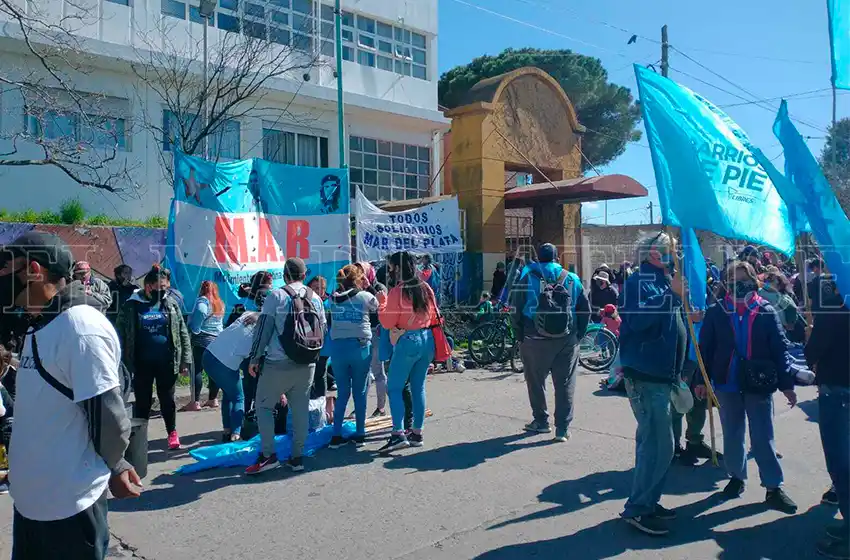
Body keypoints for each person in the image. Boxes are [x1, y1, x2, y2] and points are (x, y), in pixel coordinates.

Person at [1, 232, 140, 559]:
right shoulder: (41, 325)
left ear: (34, 269)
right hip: (32, 506)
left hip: (69, 511)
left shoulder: (80, 325)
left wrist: (117, 464)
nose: (2, 277)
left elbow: (107, 414)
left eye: (7, 268)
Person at [696, 260, 798, 514]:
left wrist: (787, 384)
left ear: (753, 282)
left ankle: (773, 487)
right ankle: (736, 476)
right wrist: (700, 379)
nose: (738, 286)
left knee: (763, 435)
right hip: (726, 383)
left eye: (743, 281)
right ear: (726, 284)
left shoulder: (765, 310)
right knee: (732, 433)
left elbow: (779, 349)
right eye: (733, 281)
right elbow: (705, 348)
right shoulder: (717, 311)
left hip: (758, 382)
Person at [617, 231, 689, 536]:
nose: (674, 254)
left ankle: (649, 500)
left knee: (659, 445)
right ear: (653, 253)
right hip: (647, 378)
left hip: (663, 375)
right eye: (669, 249)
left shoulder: (663, 280)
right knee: (658, 446)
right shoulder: (638, 282)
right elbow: (637, 319)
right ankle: (639, 508)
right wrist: (670, 295)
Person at [246, 257, 326, 475]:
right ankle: (297, 457)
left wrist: (254, 358)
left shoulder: (277, 296)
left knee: (263, 406)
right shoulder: (316, 297)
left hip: (278, 363)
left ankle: (268, 455)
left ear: (285, 274)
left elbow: (263, 330)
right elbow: (323, 330)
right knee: (299, 408)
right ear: (303, 275)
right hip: (307, 362)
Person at [511, 243, 590, 442]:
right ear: (556, 258)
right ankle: (562, 429)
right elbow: (584, 309)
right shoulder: (572, 278)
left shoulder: (527, 277)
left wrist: (519, 334)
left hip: (534, 338)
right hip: (567, 339)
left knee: (536, 382)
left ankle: (541, 421)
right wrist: (578, 334)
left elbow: (515, 308)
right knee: (565, 384)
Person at [117, 265, 192, 451]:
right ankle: (141, 438)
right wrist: (120, 360)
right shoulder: (131, 305)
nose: (164, 291)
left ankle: (172, 433)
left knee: (167, 399)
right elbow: (119, 333)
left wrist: (185, 360)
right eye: (160, 287)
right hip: (141, 362)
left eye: (166, 287)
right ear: (149, 286)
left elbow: (182, 332)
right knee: (143, 401)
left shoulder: (171, 303)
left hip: (166, 361)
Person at [804, 278, 850, 559]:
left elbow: (814, 350)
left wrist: (810, 341)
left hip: (839, 390)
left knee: (842, 463)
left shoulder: (837, 304)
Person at [378, 251, 439, 452]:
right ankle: (417, 433)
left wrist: (382, 303)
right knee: (418, 387)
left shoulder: (398, 291)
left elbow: (387, 322)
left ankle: (398, 434)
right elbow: (433, 315)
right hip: (427, 339)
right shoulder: (425, 288)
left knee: (394, 388)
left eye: (390, 267)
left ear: (396, 268)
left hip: (408, 341)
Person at [204, 288, 267, 443]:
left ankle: (227, 430)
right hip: (224, 363)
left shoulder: (247, 315)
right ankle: (236, 435)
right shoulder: (264, 330)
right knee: (239, 397)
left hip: (209, 355)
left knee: (228, 393)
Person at [328, 265, 380, 449]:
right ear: (359, 279)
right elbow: (379, 305)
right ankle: (360, 433)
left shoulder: (333, 298)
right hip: (360, 348)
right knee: (360, 392)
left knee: (342, 392)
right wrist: (369, 287)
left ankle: (336, 435)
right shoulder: (365, 296)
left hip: (338, 349)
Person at [183, 281, 225, 411]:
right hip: (217, 339)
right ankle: (213, 399)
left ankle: (195, 402)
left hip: (202, 339)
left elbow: (200, 312)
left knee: (197, 370)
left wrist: (195, 327)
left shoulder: (203, 301)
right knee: (214, 370)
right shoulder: (219, 302)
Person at [308, 275, 335, 423]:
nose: (319, 291)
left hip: (323, 347)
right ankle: (310, 408)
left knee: (320, 376)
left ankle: (320, 407)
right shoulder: (305, 301)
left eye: (321, 289)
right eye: (315, 288)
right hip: (308, 346)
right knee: (308, 378)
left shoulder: (328, 304)